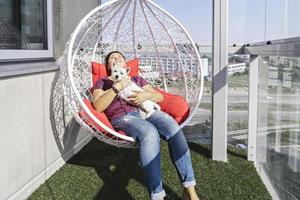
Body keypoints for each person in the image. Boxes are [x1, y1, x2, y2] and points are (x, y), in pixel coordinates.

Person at [92, 51, 200, 200]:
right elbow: (98, 106)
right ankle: (158, 195)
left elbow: (159, 97)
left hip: (146, 111)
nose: (116, 58)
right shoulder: (102, 82)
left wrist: (145, 95)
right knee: (149, 133)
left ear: (125, 65)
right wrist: (117, 87)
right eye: (112, 58)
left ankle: (189, 189)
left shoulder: (136, 78)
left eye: (120, 57)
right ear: (108, 66)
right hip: (123, 117)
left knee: (172, 127)